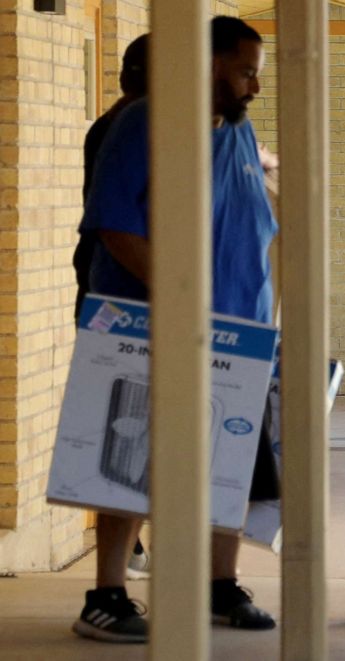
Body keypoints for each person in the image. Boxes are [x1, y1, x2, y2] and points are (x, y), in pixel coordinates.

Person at [72, 16, 277, 643]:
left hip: (235, 331)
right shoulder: (143, 122)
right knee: (126, 458)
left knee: (229, 460)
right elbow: (113, 224)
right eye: (245, 72)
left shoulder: (239, 135)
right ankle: (106, 594)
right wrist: (182, 298)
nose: (254, 88)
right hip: (146, 324)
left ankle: (219, 584)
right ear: (209, 64)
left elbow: (251, 221)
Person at [73, 32, 153, 583]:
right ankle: (115, 569)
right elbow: (115, 225)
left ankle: (133, 543)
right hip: (122, 301)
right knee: (126, 428)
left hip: (136, 293)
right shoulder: (121, 128)